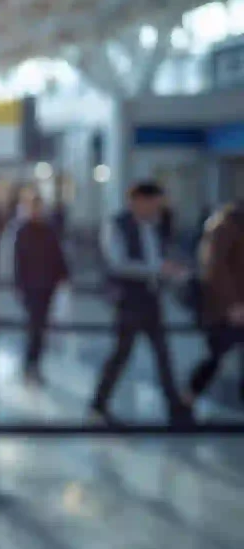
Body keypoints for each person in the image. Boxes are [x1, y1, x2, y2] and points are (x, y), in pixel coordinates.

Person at [89, 182, 193, 426]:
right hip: (128, 299)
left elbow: (159, 255)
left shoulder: (156, 225)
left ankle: (175, 409)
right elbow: (118, 263)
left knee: (163, 354)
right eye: (153, 203)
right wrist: (157, 269)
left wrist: (171, 270)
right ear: (138, 201)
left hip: (151, 297)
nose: (156, 208)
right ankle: (98, 404)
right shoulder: (116, 225)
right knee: (121, 353)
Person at [186, 201, 244, 409]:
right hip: (227, 308)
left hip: (233, 306)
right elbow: (216, 268)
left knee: (218, 355)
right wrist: (233, 305)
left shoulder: (228, 225)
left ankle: (188, 397)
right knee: (216, 355)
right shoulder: (224, 227)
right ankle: (188, 398)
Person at [11, 195, 69, 385]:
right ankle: (30, 365)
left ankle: (33, 364)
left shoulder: (49, 230)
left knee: (40, 327)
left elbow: (57, 255)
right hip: (31, 287)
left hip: (47, 285)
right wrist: (19, 285)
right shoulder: (23, 231)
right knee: (35, 327)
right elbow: (18, 261)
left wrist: (64, 275)